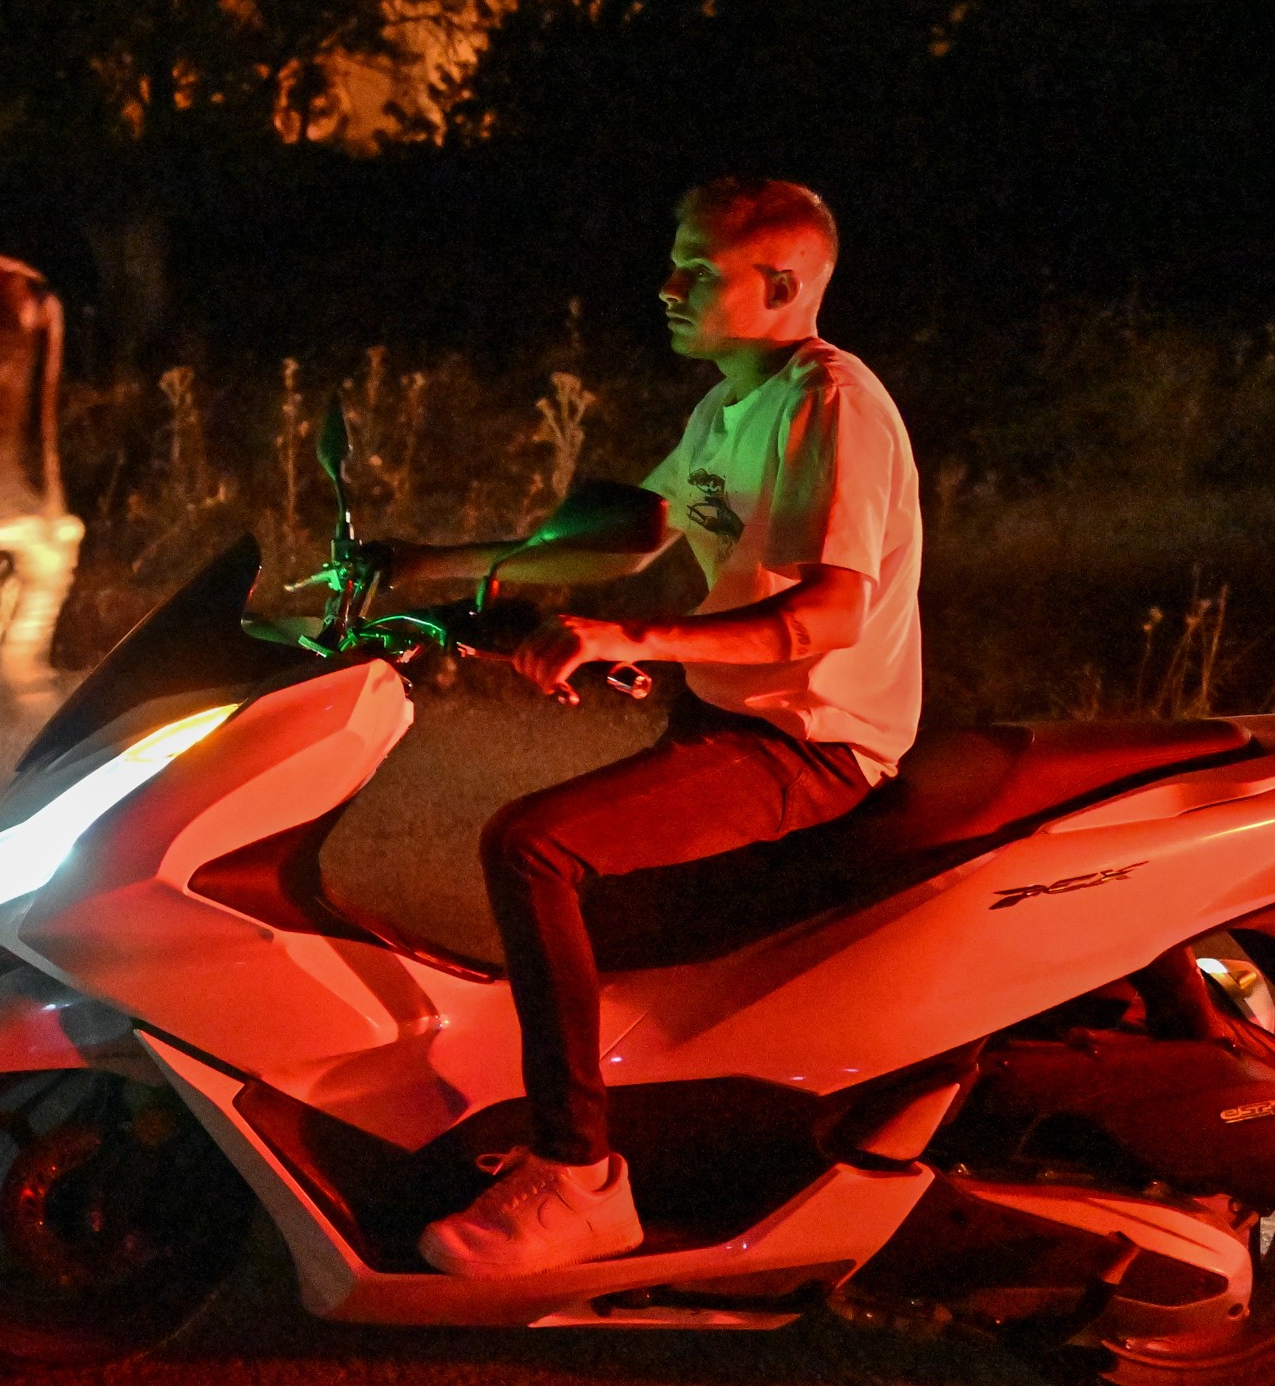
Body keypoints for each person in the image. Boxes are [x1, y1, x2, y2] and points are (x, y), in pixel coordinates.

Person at [365, 176, 923, 1279]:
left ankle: (579, 1179)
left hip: (810, 745)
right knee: (606, 928)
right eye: (672, 260)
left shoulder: (831, 402)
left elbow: (829, 610)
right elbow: (622, 543)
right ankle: (593, 1129)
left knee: (534, 848)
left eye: (697, 271)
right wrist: (430, 568)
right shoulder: (727, 404)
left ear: (780, 286)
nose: (665, 286)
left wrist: (636, 641)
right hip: (727, 718)